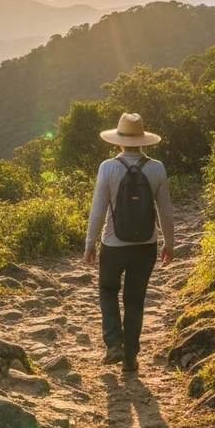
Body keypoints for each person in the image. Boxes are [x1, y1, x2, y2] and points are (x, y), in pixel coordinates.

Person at [84, 113, 174, 373]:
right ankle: (131, 357)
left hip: (113, 245)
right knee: (135, 300)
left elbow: (98, 211)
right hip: (146, 245)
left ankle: (114, 344)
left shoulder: (107, 167)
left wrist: (90, 244)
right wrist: (169, 243)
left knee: (107, 291)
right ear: (143, 141)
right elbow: (165, 212)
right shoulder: (157, 168)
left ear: (119, 142)